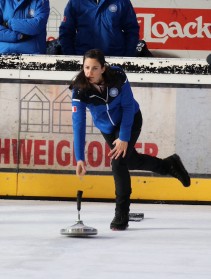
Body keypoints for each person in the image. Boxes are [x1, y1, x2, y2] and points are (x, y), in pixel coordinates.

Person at [70, 49, 191, 231]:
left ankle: (122, 213)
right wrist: (79, 157)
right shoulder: (80, 89)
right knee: (130, 160)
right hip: (108, 129)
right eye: (86, 67)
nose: (89, 73)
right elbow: (78, 124)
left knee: (118, 163)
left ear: (103, 68)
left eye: (94, 68)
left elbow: (127, 106)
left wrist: (124, 137)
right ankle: (169, 165)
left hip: (131, 119)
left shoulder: (118, 76)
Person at [59, 0, 139, 57]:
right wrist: (72, 57)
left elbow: (132, 30)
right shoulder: (75, 2)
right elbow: (66, 32)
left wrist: (127, 57)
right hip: (84, 61)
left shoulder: (122, 1)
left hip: (115, 59)